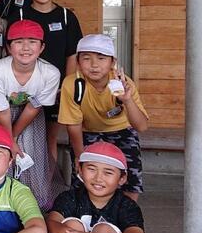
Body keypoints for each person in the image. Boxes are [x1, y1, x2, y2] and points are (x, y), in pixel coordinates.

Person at [0, 19, 65, 210]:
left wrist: (15, 136)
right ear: (9, 48)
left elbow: (33, 107)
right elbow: (2, 111)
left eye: (32, 42)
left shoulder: (50, 73)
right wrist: (9, 140)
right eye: (18, 42)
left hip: (28, 111)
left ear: (42, 47)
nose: (26, 48)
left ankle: (33, 198)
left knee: (30, 147)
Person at [58, 34, 149, 201]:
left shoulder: (123, 84)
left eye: (101, 58)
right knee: (83, 177)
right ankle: (84, 211)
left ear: (112, 63)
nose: (94, 65)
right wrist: (80, 156)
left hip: (121, 130)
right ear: (78, 62)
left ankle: (128, 212)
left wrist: (127, 100)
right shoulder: (72, 84)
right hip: (87, 131)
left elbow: (141, 126)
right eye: (86, 58)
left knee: (130, 177)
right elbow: (73, 125)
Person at [8, 0, 83, 162]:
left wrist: (66, 88)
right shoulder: (19, 15)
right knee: (21, 134)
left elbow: (72, 55)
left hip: (55, 89)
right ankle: (22, 177)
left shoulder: (66, 16)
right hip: (24, 87)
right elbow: (10, 51)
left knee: (50, 138)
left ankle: (49, 179)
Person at [47, 142, 146, 233]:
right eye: (91, 169)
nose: (98, 178)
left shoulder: (126, 206)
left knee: (104, 229)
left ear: (122, 178)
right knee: (70, 225)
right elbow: (51, 225)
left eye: (108, 172)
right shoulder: (69, 197)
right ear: (80, 171)